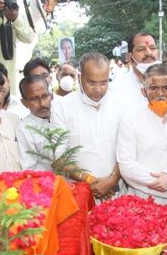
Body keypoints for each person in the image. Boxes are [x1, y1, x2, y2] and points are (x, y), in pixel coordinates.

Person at [51, 53, 123, 202]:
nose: (98, 89)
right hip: (78, 195)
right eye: (91, 82)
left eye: (104, 82)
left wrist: (112, 180)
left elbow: (129, 149)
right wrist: (90, 181)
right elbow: (58, 157)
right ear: (80, 76)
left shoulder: (121, 104)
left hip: (116, 192)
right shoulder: (62, 107)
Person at [116, 64, 167, 211]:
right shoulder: (130, 118)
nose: (160, 93)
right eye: (153, 88)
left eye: (166, 87)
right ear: (143, 91)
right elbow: (126, 165)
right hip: (141, 199)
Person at [15, 74, 54, 172]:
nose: (42, 104)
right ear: (24, 103)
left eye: (45, 96)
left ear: (51, 95)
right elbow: (29, 169)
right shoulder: (24, 128)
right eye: (34, 99)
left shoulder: (62, 117)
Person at [110, 31, 159, 107]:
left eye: (153, 48)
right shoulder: (115, 89)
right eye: (141, 49)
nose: (149, 53)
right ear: (130, 57)